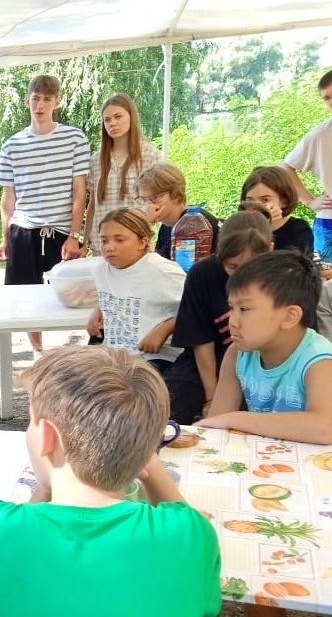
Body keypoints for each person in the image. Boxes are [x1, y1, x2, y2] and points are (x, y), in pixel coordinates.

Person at [0, 345, 250, 617]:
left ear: (47, 436)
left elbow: (33, 511)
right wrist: (144, 459)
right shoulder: (187, 536)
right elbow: (187, 531)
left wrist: (47, 481)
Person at [197, 249, 332, 617]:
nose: (231, 319)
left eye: (244, 308)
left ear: (290, 316)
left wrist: (235, 419)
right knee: (262, 580)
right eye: (231, 307)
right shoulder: (238, 353)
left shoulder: (318, 357)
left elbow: (324, 424)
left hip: (318, 495)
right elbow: (217, 430)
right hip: (267, 488)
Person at [0, 74, 90, 358]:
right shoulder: (12, 145)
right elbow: (8, 198)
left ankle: (86, 354)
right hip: (23, 228)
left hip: (59, 231)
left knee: (77, 294)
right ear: (27, 101)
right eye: (36, 98)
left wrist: (75, 234)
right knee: (24, 298)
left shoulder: (74, 138)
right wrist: (5, 238)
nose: (41, 104)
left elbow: (79, 192)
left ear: (57, 102)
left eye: (47, 99)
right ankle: (38, 354)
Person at [163, 210, 273, 423]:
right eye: (233, 267)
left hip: (262, 364)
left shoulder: (281, 277)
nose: (241, 275)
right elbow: (201, 341)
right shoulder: (202, 274)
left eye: (250, 267)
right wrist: (212, 396)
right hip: (206, 362)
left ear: (270, 251)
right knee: (164, 412)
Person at [87, 207, 185, 372]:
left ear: (142, 242)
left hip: (155, 357)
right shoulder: (101, 271)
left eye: (119, 240)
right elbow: (121, 292)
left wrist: (165, 328)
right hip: (115, 356)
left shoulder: (162, 271)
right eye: (104, 241)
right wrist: (99, 310)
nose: (109, 247)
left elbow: (199, 307)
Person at [83, 93, 162, 254]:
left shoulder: (150, 155)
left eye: (118, 116)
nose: (113, 123)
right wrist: (85, 243)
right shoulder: (96, 159)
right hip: (103, 247)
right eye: (107, 119)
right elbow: (93, 204)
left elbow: (158, 202)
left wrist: (141, 224)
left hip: (136, 246)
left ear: (131, 117)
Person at [282, 68, 332, 261]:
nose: (331, 102)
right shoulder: (320, 135)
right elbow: (285, 168)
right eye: (327, 98)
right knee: (327, 285)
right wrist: (311, 201)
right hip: (329, 224)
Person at [137, 163, 219, 259]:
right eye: (144, 199)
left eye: (155, 197)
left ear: (175, 194)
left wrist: (145, 224)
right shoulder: (167, 225)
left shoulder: (191, 225)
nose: (148, 206)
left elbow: (159, 264)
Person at [240, 166, 313, 254]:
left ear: (284, 201)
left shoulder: (299, 230)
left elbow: (290, 264)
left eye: (265, 200)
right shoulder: (239, 228)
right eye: (250, 200)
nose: (257, 206)